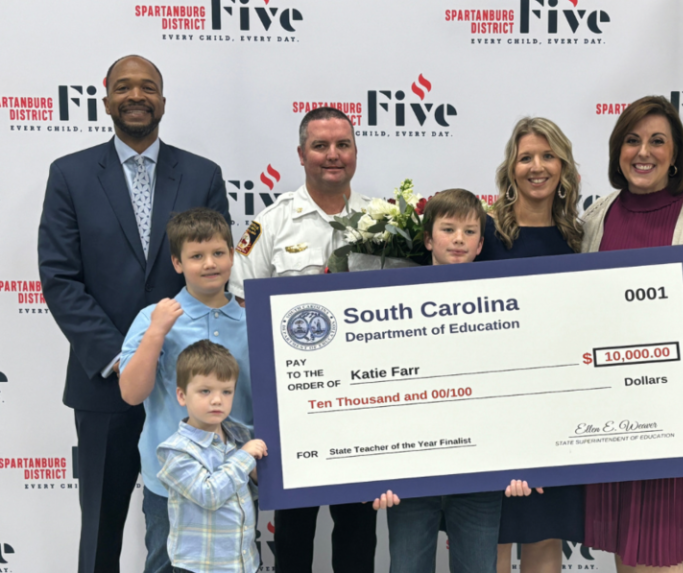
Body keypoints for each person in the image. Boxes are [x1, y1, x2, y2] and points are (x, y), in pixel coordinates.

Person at [37, 54, 229, 573]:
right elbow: (59, 278)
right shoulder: (70, 175)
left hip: (187, 384)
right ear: (107, 99)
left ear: (163, 100)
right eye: (124, 87)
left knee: (192, 526)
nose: (136, 95)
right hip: (104, 382)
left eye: (148, 87)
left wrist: (181, 364)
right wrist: (121, 358)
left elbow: (214, 272)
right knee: (101, 528)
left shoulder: (202, 174)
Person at [580, 95, 683, 573]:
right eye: (632, 140)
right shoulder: (597, 217)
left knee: (658, 554)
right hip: (609, 410)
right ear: (618, 150)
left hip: (677, 414)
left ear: (676, 154)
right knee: (625, 551)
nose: (643, 152)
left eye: (657, 141)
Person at [228, 106, 376, 573]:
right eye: (320, 146)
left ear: (355, 151)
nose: (333, 155)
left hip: (361, 403)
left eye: (343, 145)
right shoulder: (269, 225)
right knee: (292, 535)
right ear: (300, 154)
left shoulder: (384, 222)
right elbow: (241, 308)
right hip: (295, 410)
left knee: (358, 533)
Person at [372, 188, 503, 573]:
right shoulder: (389, 303)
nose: (459, 239)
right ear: (428, 239)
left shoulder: (505, 302)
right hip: (411, 474)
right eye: (448, 229)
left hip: (481, 472)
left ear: (481, 244)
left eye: (469, 231)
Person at [475, 117, 585, 573]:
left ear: (563, 168)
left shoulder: (580, 239)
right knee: (491, 539)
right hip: (491, 413)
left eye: (547, 156)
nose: (537, 166)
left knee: (544, 535)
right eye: (526, 158)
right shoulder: (482, 234)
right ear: (510, 168)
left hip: (555, 415)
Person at [118, 207, 254, 572]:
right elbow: (131, 393)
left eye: (218, 253)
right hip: (171, 482)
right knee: (166, 564)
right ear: (178, 263)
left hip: (234, 474)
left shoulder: (256, 317)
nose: (210, 263)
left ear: (232, 255)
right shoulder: (153, 317)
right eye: (196, 256)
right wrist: (157, 333)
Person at [157, 339, 266, 573]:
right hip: (200, 567)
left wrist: (256, 477)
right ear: (182, 395)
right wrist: (244, 458)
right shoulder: (175, 450)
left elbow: (240, 492)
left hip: (244, 564)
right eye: (205, 391)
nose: (217, 400)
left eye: (226, 391)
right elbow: (210, 495)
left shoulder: (238, 434)